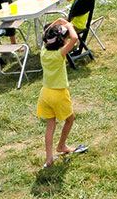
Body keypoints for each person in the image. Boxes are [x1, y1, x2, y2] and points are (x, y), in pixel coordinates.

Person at [37, 18, 87, 167]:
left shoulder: (43, 51)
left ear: (46, 40)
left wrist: (57, 22)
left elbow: (45, 34)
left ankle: (49, 158)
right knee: (70, 119)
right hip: (58, 94)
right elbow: (75, 38)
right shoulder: (60, 54)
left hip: (45, 93)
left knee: (50, 126)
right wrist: (69, 25)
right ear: (61, 42)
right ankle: (62, 146)